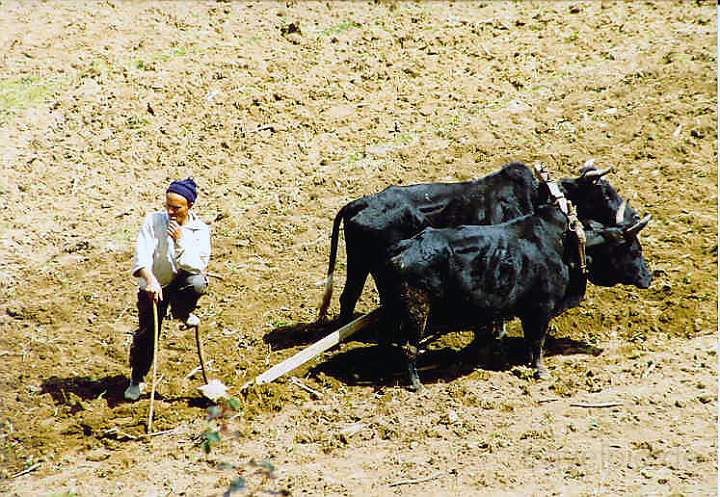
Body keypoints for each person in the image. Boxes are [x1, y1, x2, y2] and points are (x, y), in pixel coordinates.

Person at [124, 178, 211, 401]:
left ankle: (182, 312)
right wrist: (150, 280)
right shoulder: (154, 221)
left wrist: (180, 239)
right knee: (147, 333)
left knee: (198, 283)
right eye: (168, 206)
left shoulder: (199, 230)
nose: (170, 212)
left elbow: (196, 266)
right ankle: (137, 378)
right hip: (155, 284)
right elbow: (141, 255)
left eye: (176, 208)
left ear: (190, 206)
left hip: (180, 284)